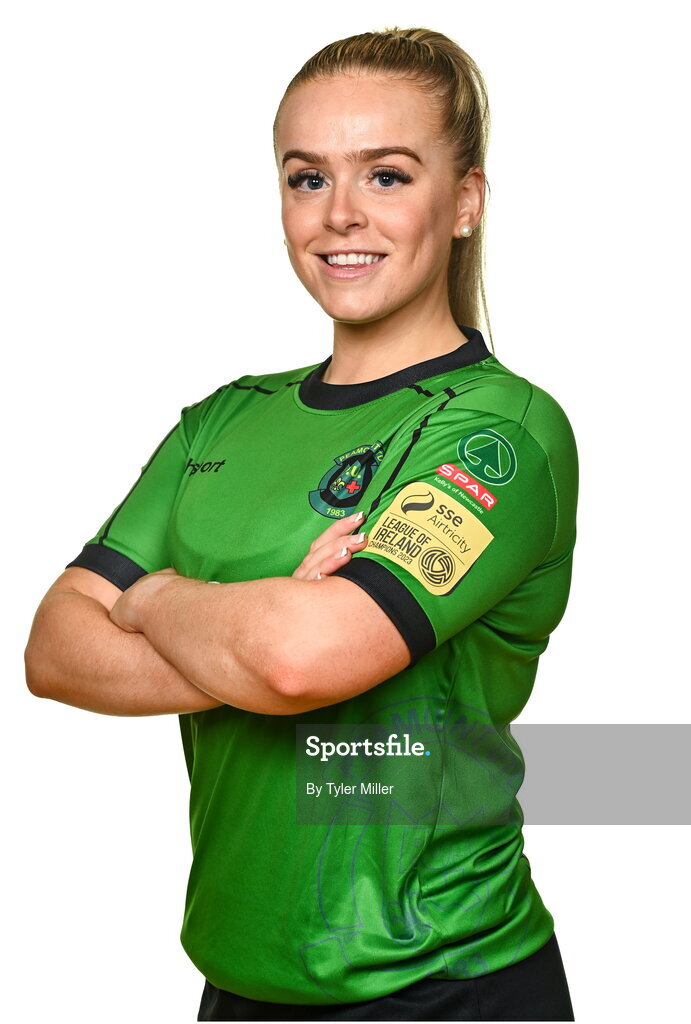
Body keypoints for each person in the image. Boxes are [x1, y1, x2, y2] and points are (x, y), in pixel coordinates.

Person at [24, 25, 578, 1023]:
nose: (341, 215)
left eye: (389, 175)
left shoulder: (498, 434)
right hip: (241, 981)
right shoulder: (224, 420)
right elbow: (56, 646)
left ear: (464, 202)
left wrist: (150, 597)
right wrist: (257, 619)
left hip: (444, 986)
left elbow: (300, 663)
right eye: (307, 178)